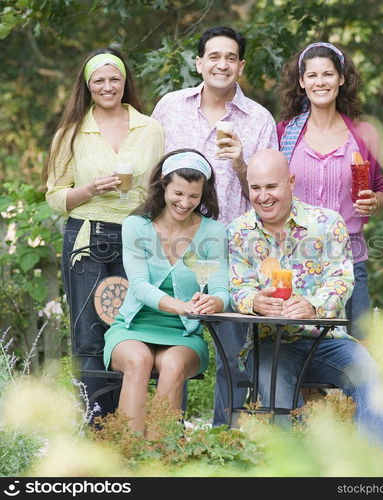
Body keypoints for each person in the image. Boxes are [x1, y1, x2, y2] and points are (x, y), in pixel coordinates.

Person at [227, 148, 383, 463]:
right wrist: (254, 301)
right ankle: (302, 469)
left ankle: (376, 473)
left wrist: (314, 306)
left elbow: (342, 279)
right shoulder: (238, 232)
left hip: (326, 340)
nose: (263, 196)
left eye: (272, 186)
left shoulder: (327, 223)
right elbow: (238, 286)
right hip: (270, 344)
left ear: (291, 182)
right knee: (274, 389)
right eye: (256, 188)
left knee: (370, 376)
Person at [151, 26, 278, 426]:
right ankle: (170, 437)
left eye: (230, 58)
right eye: (214, 56)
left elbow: (267, 194)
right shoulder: (170, 107)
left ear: (240, 66)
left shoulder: (258, 118)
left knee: (233, 351)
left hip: (232, 249)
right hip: (173, 244)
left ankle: (228, 438)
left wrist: (241, 164)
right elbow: (152, 177)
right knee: (173, 340)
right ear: (199, 62)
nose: (221, 64)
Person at [43, 48, 164, 418]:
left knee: (135, 328)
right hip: (87, 237)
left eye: (115, 79)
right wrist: (90, 190)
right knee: (88, 334)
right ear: (87, 86)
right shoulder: (71, 134)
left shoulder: (151, 129)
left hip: (137, 236)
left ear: (126, 83)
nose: (108, 86)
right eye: (99, 80)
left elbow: (160, 188)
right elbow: (54, 197)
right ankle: (96, 425)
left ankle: (131, 425)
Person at [103, 149, 229, 436]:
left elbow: (223, 290)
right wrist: (180, 306)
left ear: (203, 194)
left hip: (183, 334)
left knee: (172, 365)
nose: (185, 203)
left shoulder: (213, 232)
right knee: (139, 360)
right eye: (178, 193)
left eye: (194, 196)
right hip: (133, 327)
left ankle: (161, 457)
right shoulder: (136, 226)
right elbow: (139, 286)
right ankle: (129, 453)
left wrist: (214, 301)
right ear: (163, 184)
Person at [277, 42, 383, 341]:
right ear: (302, 82)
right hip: (296, 256)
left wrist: (374, 202)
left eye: (328, 74)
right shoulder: (285, 133)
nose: (320, 82)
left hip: (350, 257)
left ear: (341, 79)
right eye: (312, 75)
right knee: (297, 347)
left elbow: (379, 191)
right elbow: (269, 192)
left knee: (357, 349)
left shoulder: (363, 134)